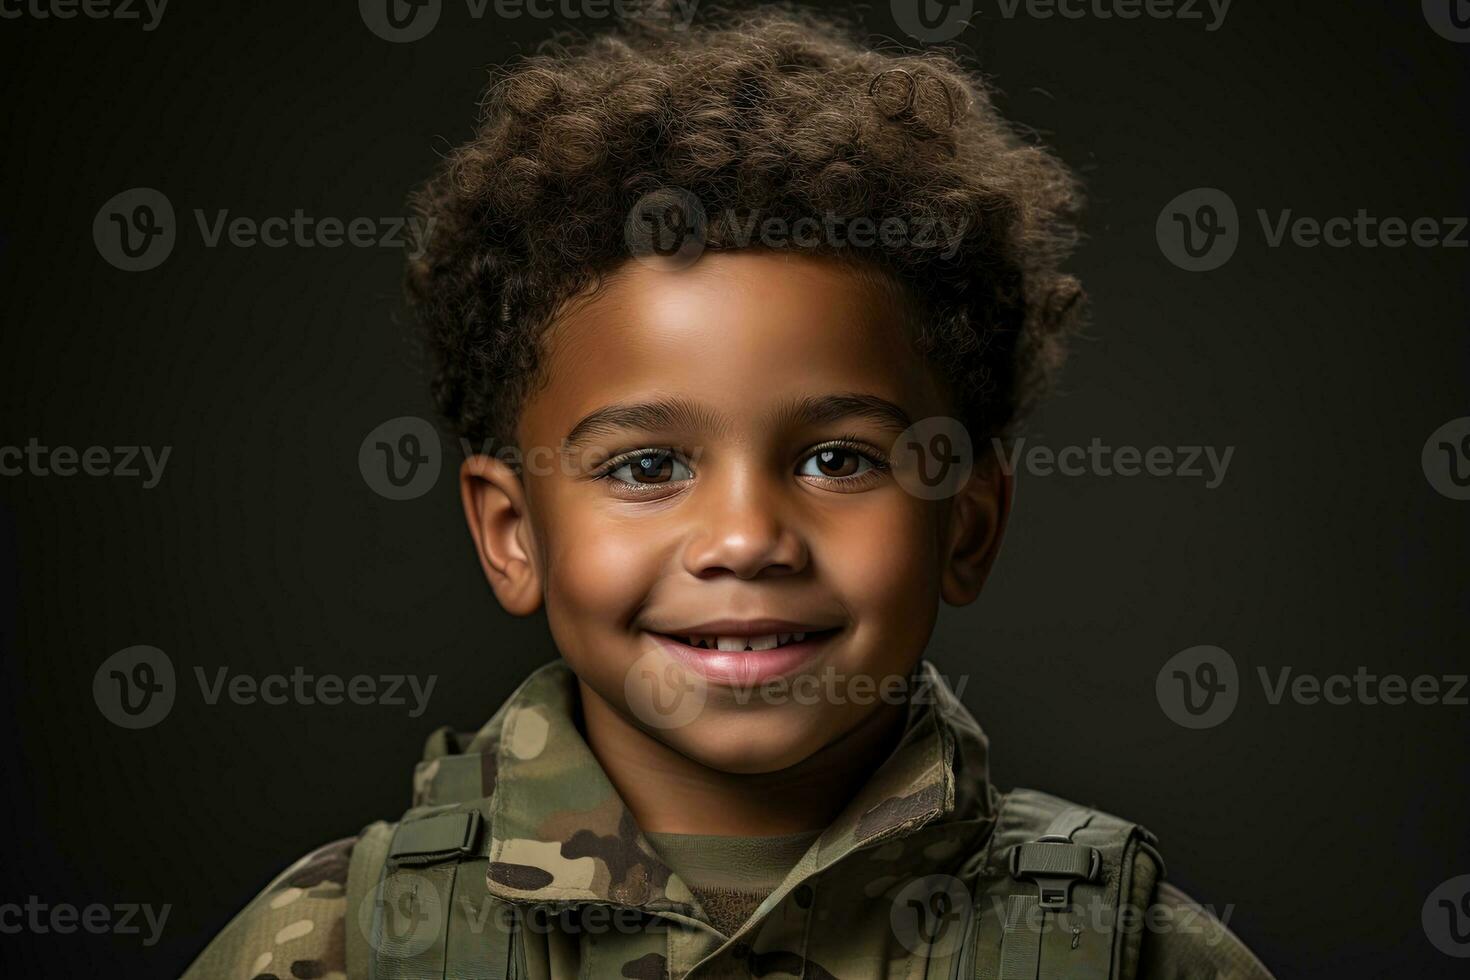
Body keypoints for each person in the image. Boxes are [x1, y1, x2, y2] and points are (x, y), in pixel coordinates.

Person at [184, 3, 1274, 977]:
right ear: (512, 531)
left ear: (969, 522)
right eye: (648, 466)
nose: (748, 538)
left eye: (839, 459)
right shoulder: (335, 944)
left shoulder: (1133, 953)